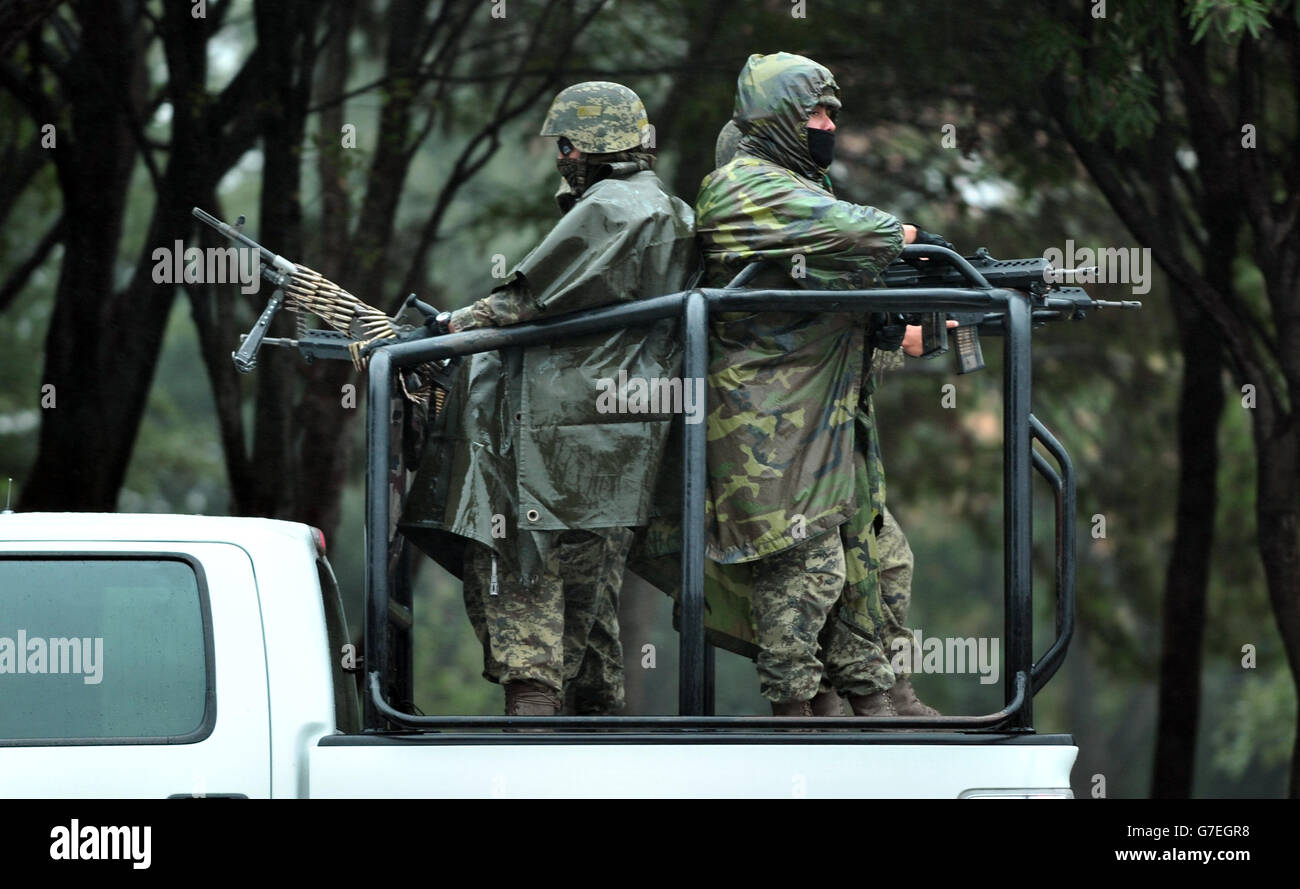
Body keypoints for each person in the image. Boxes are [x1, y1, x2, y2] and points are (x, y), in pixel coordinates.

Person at [401, 82, 696, 717]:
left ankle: (535, 740)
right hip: (618, 450)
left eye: (563, 145)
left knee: (525, 602)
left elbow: (528, 299)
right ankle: (591, 751)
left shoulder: (613, 207)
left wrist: (448, 327)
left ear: (578, 146)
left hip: (552, 445)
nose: (560, 158)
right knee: (590, 623)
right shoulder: (671, 209)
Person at [696, 52, 952, 718]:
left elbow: (841, 313)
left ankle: (877, 698)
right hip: (768, 430)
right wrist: (917, 242)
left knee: (884, 558)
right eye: (814, 110)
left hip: (830, 426)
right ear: (776, 116)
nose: (827, 123)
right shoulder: (739, 185)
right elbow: (853, 234)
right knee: (807, 574)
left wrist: (945, 318)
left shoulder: (811, 195)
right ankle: (801, 719)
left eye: (834, 112)